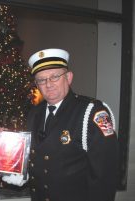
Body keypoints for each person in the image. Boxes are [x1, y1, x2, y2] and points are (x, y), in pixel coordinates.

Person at [26, 48, 118, 201]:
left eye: (55, 76)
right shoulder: (34, 114)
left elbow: (105, 174)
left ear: (68, 77)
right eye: (41, 80)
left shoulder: (91, 112)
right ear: (37, 85)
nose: (48, 84)